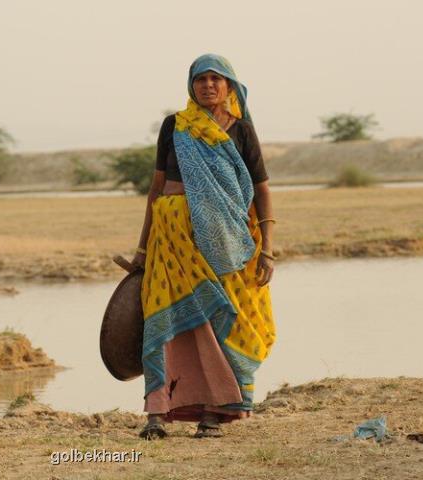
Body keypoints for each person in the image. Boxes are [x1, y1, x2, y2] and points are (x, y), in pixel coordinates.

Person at [132, 53, 276, 439]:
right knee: (161, 320)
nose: (208, 85)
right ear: (191, 86)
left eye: (216, 79)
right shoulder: (174, 127)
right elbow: (157, 188)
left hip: (225, 242)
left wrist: (267, 248)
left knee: (218, 322)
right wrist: (142, 249)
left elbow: (260, 188)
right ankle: (157, 414)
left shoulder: (241, 131)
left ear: (229, 86)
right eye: (201, 79)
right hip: (170, 241)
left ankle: (215, 410)